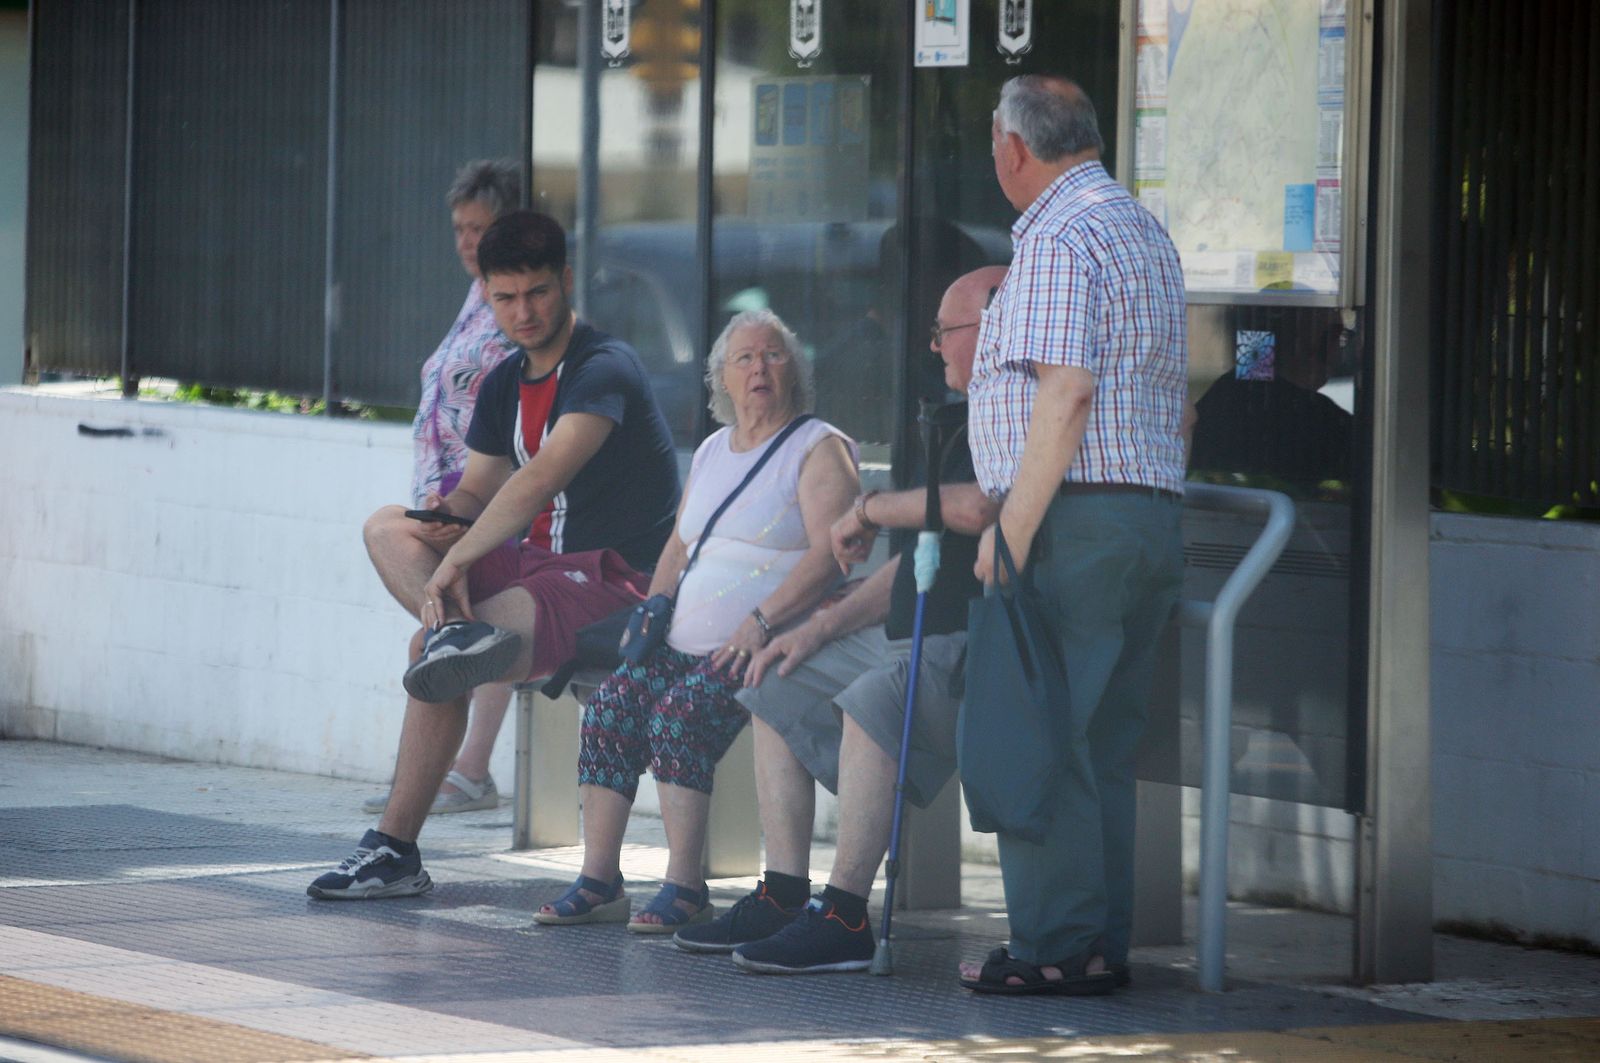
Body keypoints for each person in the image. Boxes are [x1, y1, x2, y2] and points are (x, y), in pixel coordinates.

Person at [308, 210, 682, 899]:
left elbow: (537, 477)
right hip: (536, 568)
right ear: (485, 296)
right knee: (388, 526)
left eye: (537, 292)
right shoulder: (504, 381)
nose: (523, 312)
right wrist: (446, 525)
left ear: (565, 281)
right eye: (505, 297)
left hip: (614, 580)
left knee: (434, 649)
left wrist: (453, 566)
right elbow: (478, 489)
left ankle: (393, 848)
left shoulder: (605, 369)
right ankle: (456, 638)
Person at [672, 267, 1005, 973]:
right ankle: (784, 892)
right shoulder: (949, 416)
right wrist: (812, 631)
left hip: (986, 637)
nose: (936, 345)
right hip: (912, 625)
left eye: (947, 331)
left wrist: (870, 509)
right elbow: (911, 566)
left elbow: (977, 509)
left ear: (991, 331)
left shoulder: (1007, 410)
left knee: (871, 698)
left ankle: (847, 914)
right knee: (775, 675)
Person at [958, 75, 1188, 996]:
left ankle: (1055, 946)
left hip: (1075, 519)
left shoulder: (1055, 234)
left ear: (1015, 149)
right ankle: (1096, 946)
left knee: (1044, 732)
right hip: (1147, 519)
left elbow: (1066, 390)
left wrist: (1009, 531)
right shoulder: (1143, 229)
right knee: (1101, 743)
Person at [531, 309, 860, 932]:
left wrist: (762, 620)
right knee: (609, 711)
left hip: (765, 643)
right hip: (679, 639)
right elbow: (681, 546)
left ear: (794, 370)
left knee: (678, 718)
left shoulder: (817, 447)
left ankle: (685, 887)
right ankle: (599, 879)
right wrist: (655, 605)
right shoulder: (712, 450)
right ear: (722, 381)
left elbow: (833, 556)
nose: (759, 367)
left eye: (773, 355)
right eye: (744, 358)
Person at [362, 159, 521, 819]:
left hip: (488, 500)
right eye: (458, 227)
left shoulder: (516, 306)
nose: (465, 241)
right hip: (446, 497)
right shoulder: (473, 294)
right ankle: (439, 780)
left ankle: (465, 772)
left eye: (478, 227)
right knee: (439, 633)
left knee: (448, 638)